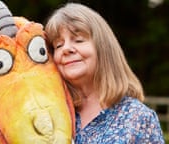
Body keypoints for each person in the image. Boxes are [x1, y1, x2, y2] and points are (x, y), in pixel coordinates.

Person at [45, 2, 165, 144]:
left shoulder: (138, 118)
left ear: (103, 48)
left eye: (78, 40)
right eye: (58, 45)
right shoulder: (50, 115)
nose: (66, 49)